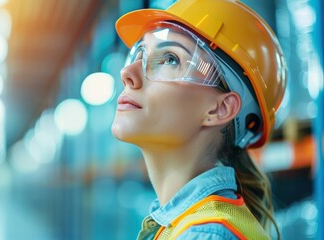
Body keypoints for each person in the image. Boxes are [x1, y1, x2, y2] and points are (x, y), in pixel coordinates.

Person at [111, 0, 287, 239]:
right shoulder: (185, 224)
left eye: (170, 59)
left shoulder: (205, 234)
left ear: (220, 109)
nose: (127, 74)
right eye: (140, 53)